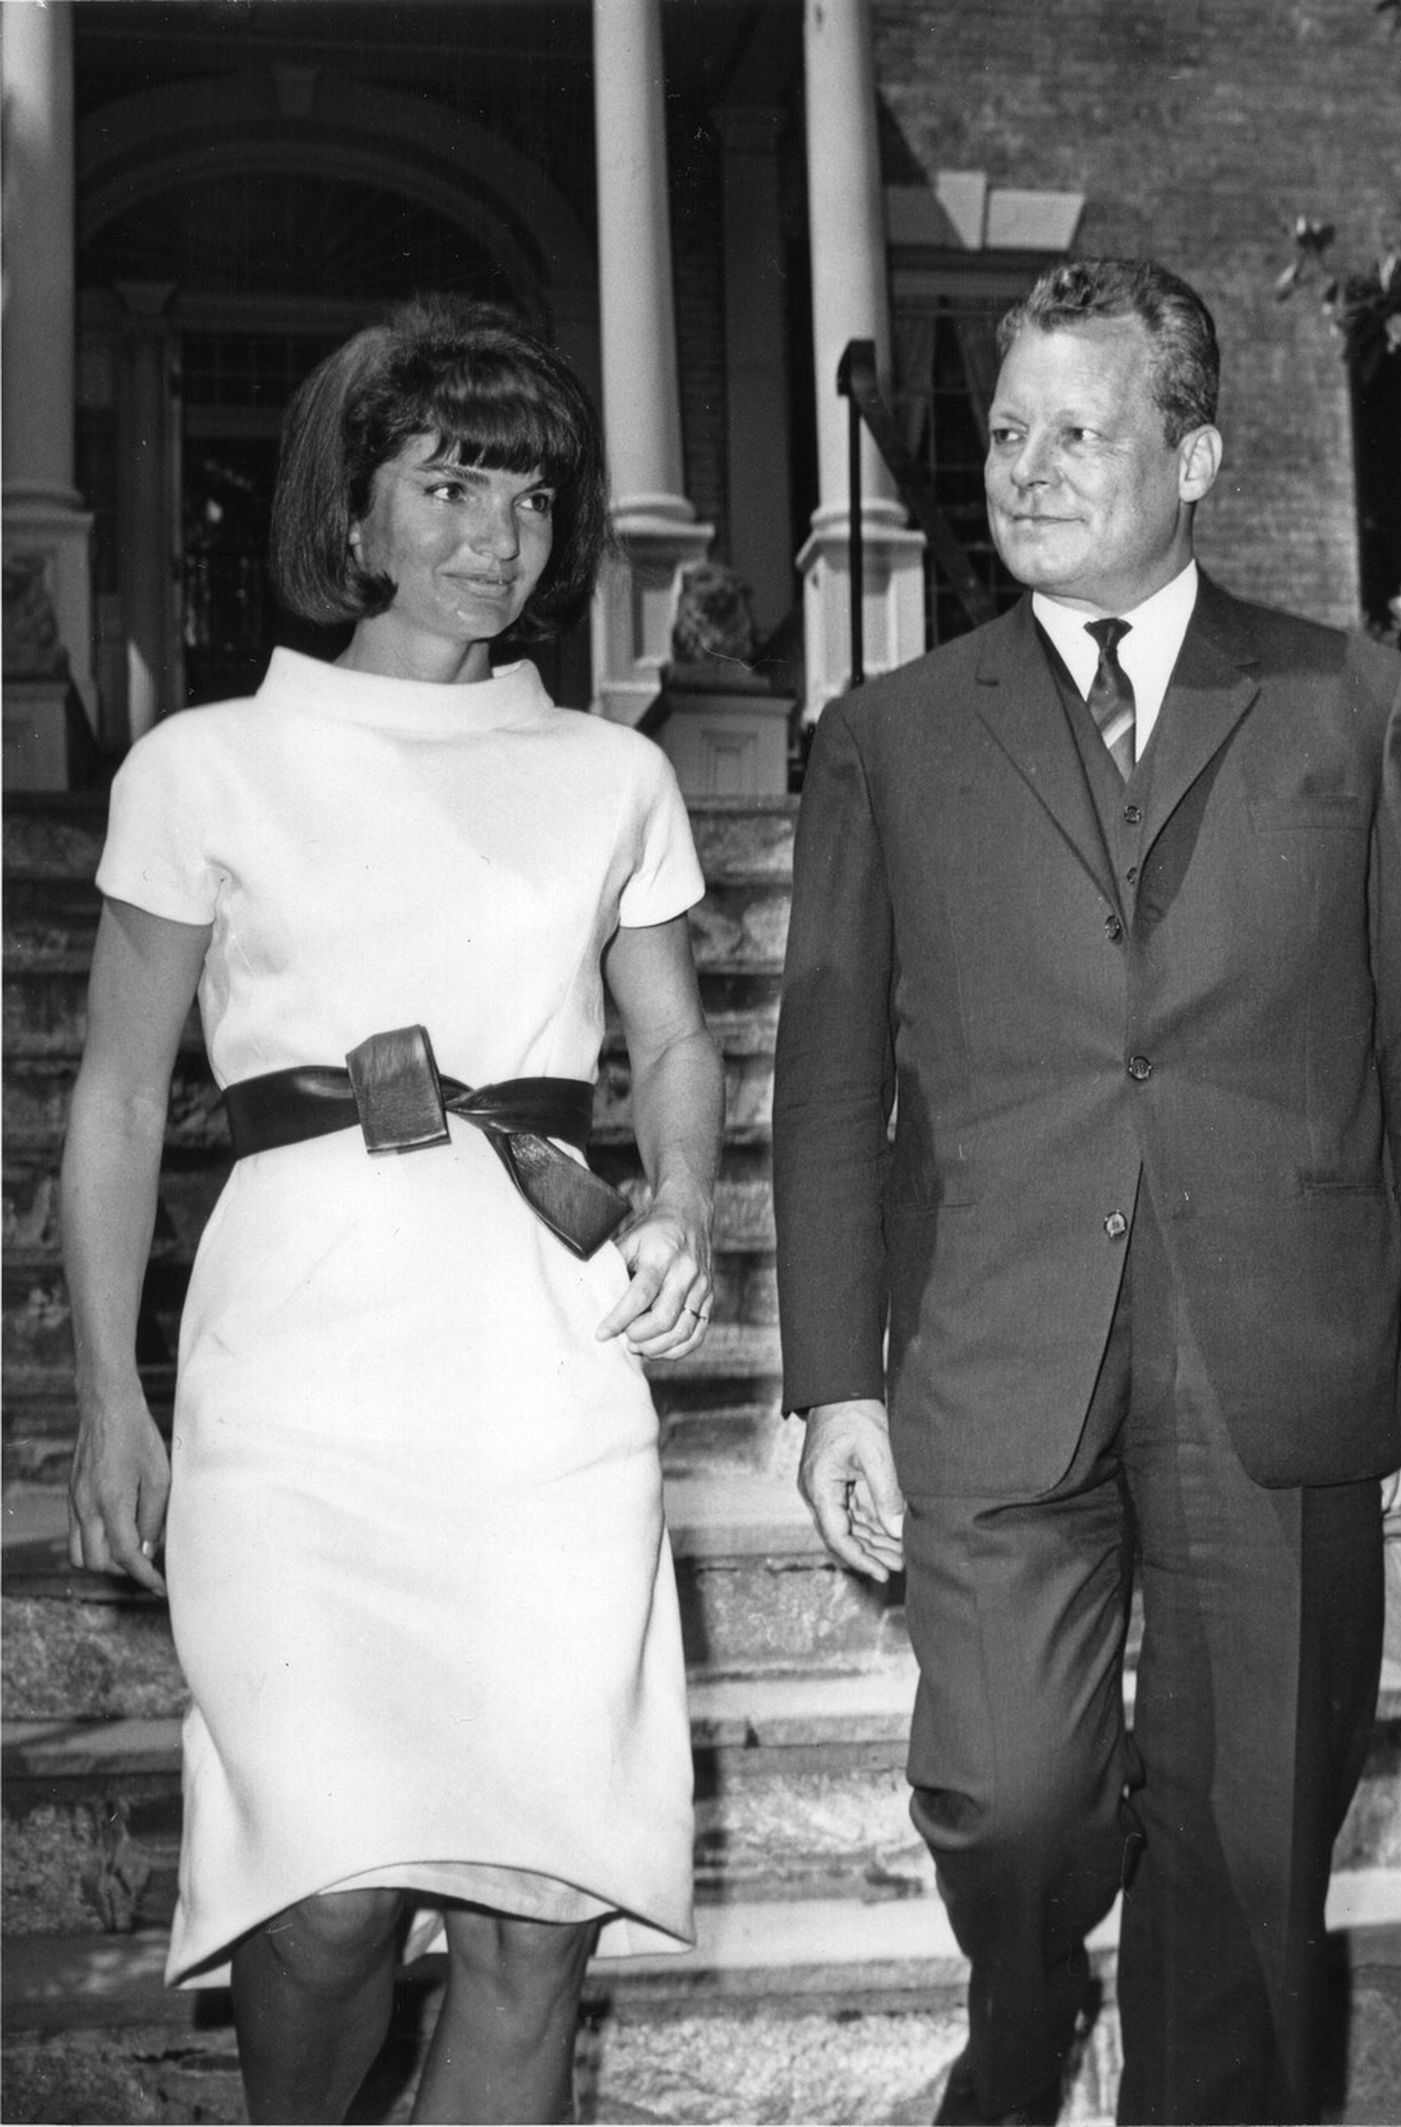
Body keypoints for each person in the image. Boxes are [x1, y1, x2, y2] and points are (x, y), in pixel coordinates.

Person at [773, 257, 1401, 2126]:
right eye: (1008, 430)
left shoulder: (1355, 706)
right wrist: (834, 1383)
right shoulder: (890, 736)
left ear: (1196, 458)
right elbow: (832, 1079)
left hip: (1279, 1339)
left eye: (1077, 432)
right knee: (1008, 1797)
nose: (1025, 466)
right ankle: (1024, 2015)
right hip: (996, 1333)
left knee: (1252, 1850)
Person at [63, 296, 724, 2125]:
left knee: (534, 1919)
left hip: (543, 1384)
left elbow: (675, 1043)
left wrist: (680, 1200)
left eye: (530, 499)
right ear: (351, 509)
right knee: (326, 1904)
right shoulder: (202, 766)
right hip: (297, 1384)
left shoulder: (614, 774)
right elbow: (115, 1097)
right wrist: (110, 1397)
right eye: (449, 487)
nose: (494, 538)